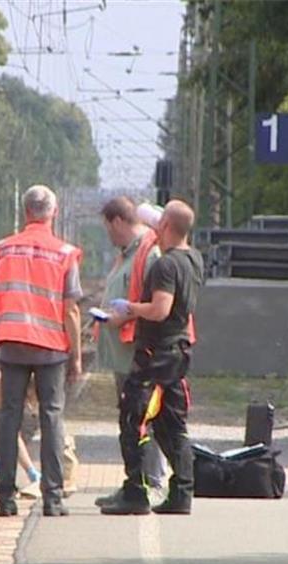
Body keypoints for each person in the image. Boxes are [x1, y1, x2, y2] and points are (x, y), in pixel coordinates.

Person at [0, 184, 82, 518]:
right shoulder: (63, 253)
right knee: (52, 416)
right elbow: (71, 309)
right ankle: (53, 499)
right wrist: (77, 355)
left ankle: (5, 499)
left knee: (10, 416)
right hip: (51, 348)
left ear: (26, 212)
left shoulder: (5, 249)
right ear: (53, 213)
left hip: (12, 344)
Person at [104, 199, 204, 516]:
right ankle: (182, 493)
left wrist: (130, 308)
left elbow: (160, 309)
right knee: (170, 424)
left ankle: (136, 491)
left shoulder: (166, 264)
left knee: (133, 419)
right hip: (177, 352)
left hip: (155, 354)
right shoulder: (194, 259)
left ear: (164, 226)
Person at [93, 196, 170, 509]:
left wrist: (119, 317)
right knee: (130, 420)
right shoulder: (126, 255)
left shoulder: (147, 253)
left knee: (141, 419)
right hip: (124, 354)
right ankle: (133, 483)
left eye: (108, 228)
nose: (108, 236)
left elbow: (154, 303)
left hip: (138, 353)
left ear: (117, 222)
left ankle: (148, 484)